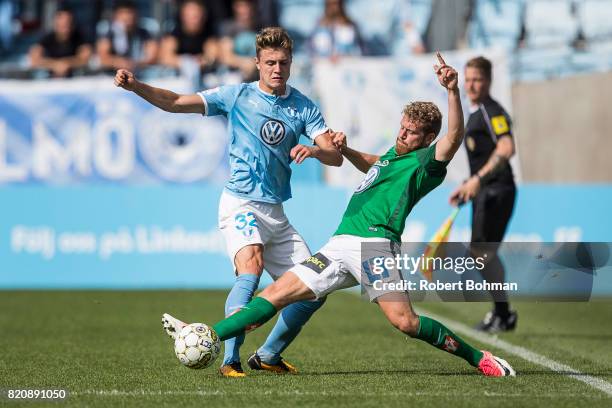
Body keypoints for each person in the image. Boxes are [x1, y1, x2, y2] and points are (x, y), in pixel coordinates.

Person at [164, 53, 516, 378]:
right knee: (274, 296)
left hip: (375, 246)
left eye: (411, 131)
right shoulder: (394, 155)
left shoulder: (426, 164)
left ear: (427, 139)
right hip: (339, 245)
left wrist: (452, 91)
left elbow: (454, 137)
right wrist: (339, 149)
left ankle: (478, 358)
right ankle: (208, 333)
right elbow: (374, 164)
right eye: (403, 125)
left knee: (406, 323)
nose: (403, 132)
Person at [114, 27, 342, 377]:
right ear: (257, 63)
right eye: (270, 62)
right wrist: (136, 86)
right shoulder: (236, 96)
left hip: (276, 211)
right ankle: (229, 361)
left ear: (291, 62)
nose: (276, 69)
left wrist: (315, 150)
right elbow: (175, 102)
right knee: (250, 268)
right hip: (240, 203)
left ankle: (268, 355)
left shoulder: (303, 106)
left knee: (314, 289)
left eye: (283, 62)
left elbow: (334, 157)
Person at [449, 56, 517, 333]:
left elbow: (506, 147)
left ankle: (502, 313)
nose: (471, 85)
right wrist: (468, 184)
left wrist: (477, 179)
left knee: (480, 252)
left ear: (488, 81)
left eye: (477, 79)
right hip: (485, 190)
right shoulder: (477, 112)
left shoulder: (492, 111)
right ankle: (503, 313)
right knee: (482, 253)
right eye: (468, 79)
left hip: (496, 191)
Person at [28, 6, 92, 77]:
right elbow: (34, 59)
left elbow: (85, 58)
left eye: (68, 23)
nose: (65, 26)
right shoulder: (47, 38)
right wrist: (55, 65)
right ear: (56, 23)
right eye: (62, 24)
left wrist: (66, 64)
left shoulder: (79, 37)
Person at [96, 0, 158, 72]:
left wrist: (134, 64)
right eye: (122, 13)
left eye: (129, 12)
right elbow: (102, 57)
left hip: (139, 73)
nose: (126, 17)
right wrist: (117, 62)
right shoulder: (109, 31)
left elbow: (152, 56)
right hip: (112, 75)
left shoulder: (145, 32)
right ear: (115, 16)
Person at [158, 0, 218, 73]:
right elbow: (165, 58)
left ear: (203, 16)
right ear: (182, 16)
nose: (192, 20)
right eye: (188, 16)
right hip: (179, 75)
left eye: (195, 16)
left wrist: (203, 61)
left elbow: (212, 56)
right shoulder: (175, 33)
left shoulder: (208, 33)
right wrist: (188, 62)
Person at [218, 0, 260, 81]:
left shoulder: (261, 28)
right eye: (241, 6)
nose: (245, 10)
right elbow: (226, 57)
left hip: (258, 74)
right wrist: (246, 63)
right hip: (233, 74)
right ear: (235, 7)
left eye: (248, 5)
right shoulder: (228, 28)